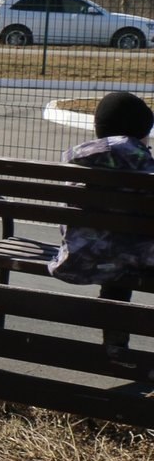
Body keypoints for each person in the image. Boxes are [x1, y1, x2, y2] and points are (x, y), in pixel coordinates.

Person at [50, 91, 154, 308]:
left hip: (80, 259)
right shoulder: (145, 170)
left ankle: (113, 326)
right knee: (127, 248)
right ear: (141, 133)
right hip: (136, 260)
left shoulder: (77, 164)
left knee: (116, 245)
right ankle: (115, 331)